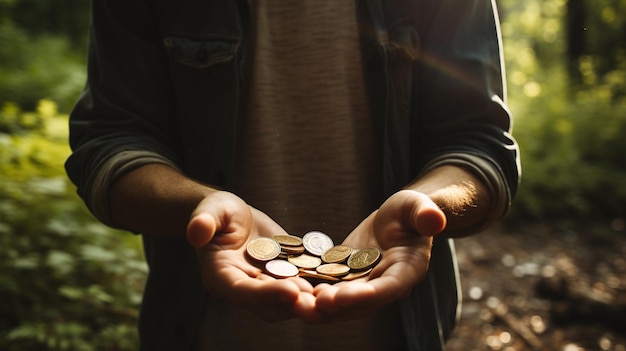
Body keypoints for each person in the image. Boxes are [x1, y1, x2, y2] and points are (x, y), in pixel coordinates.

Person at [65, 0, 520, 350]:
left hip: (402, 333)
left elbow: (479, 144)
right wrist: (195, 205)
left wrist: (429, 205)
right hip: (201, 335)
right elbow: (110, 143)